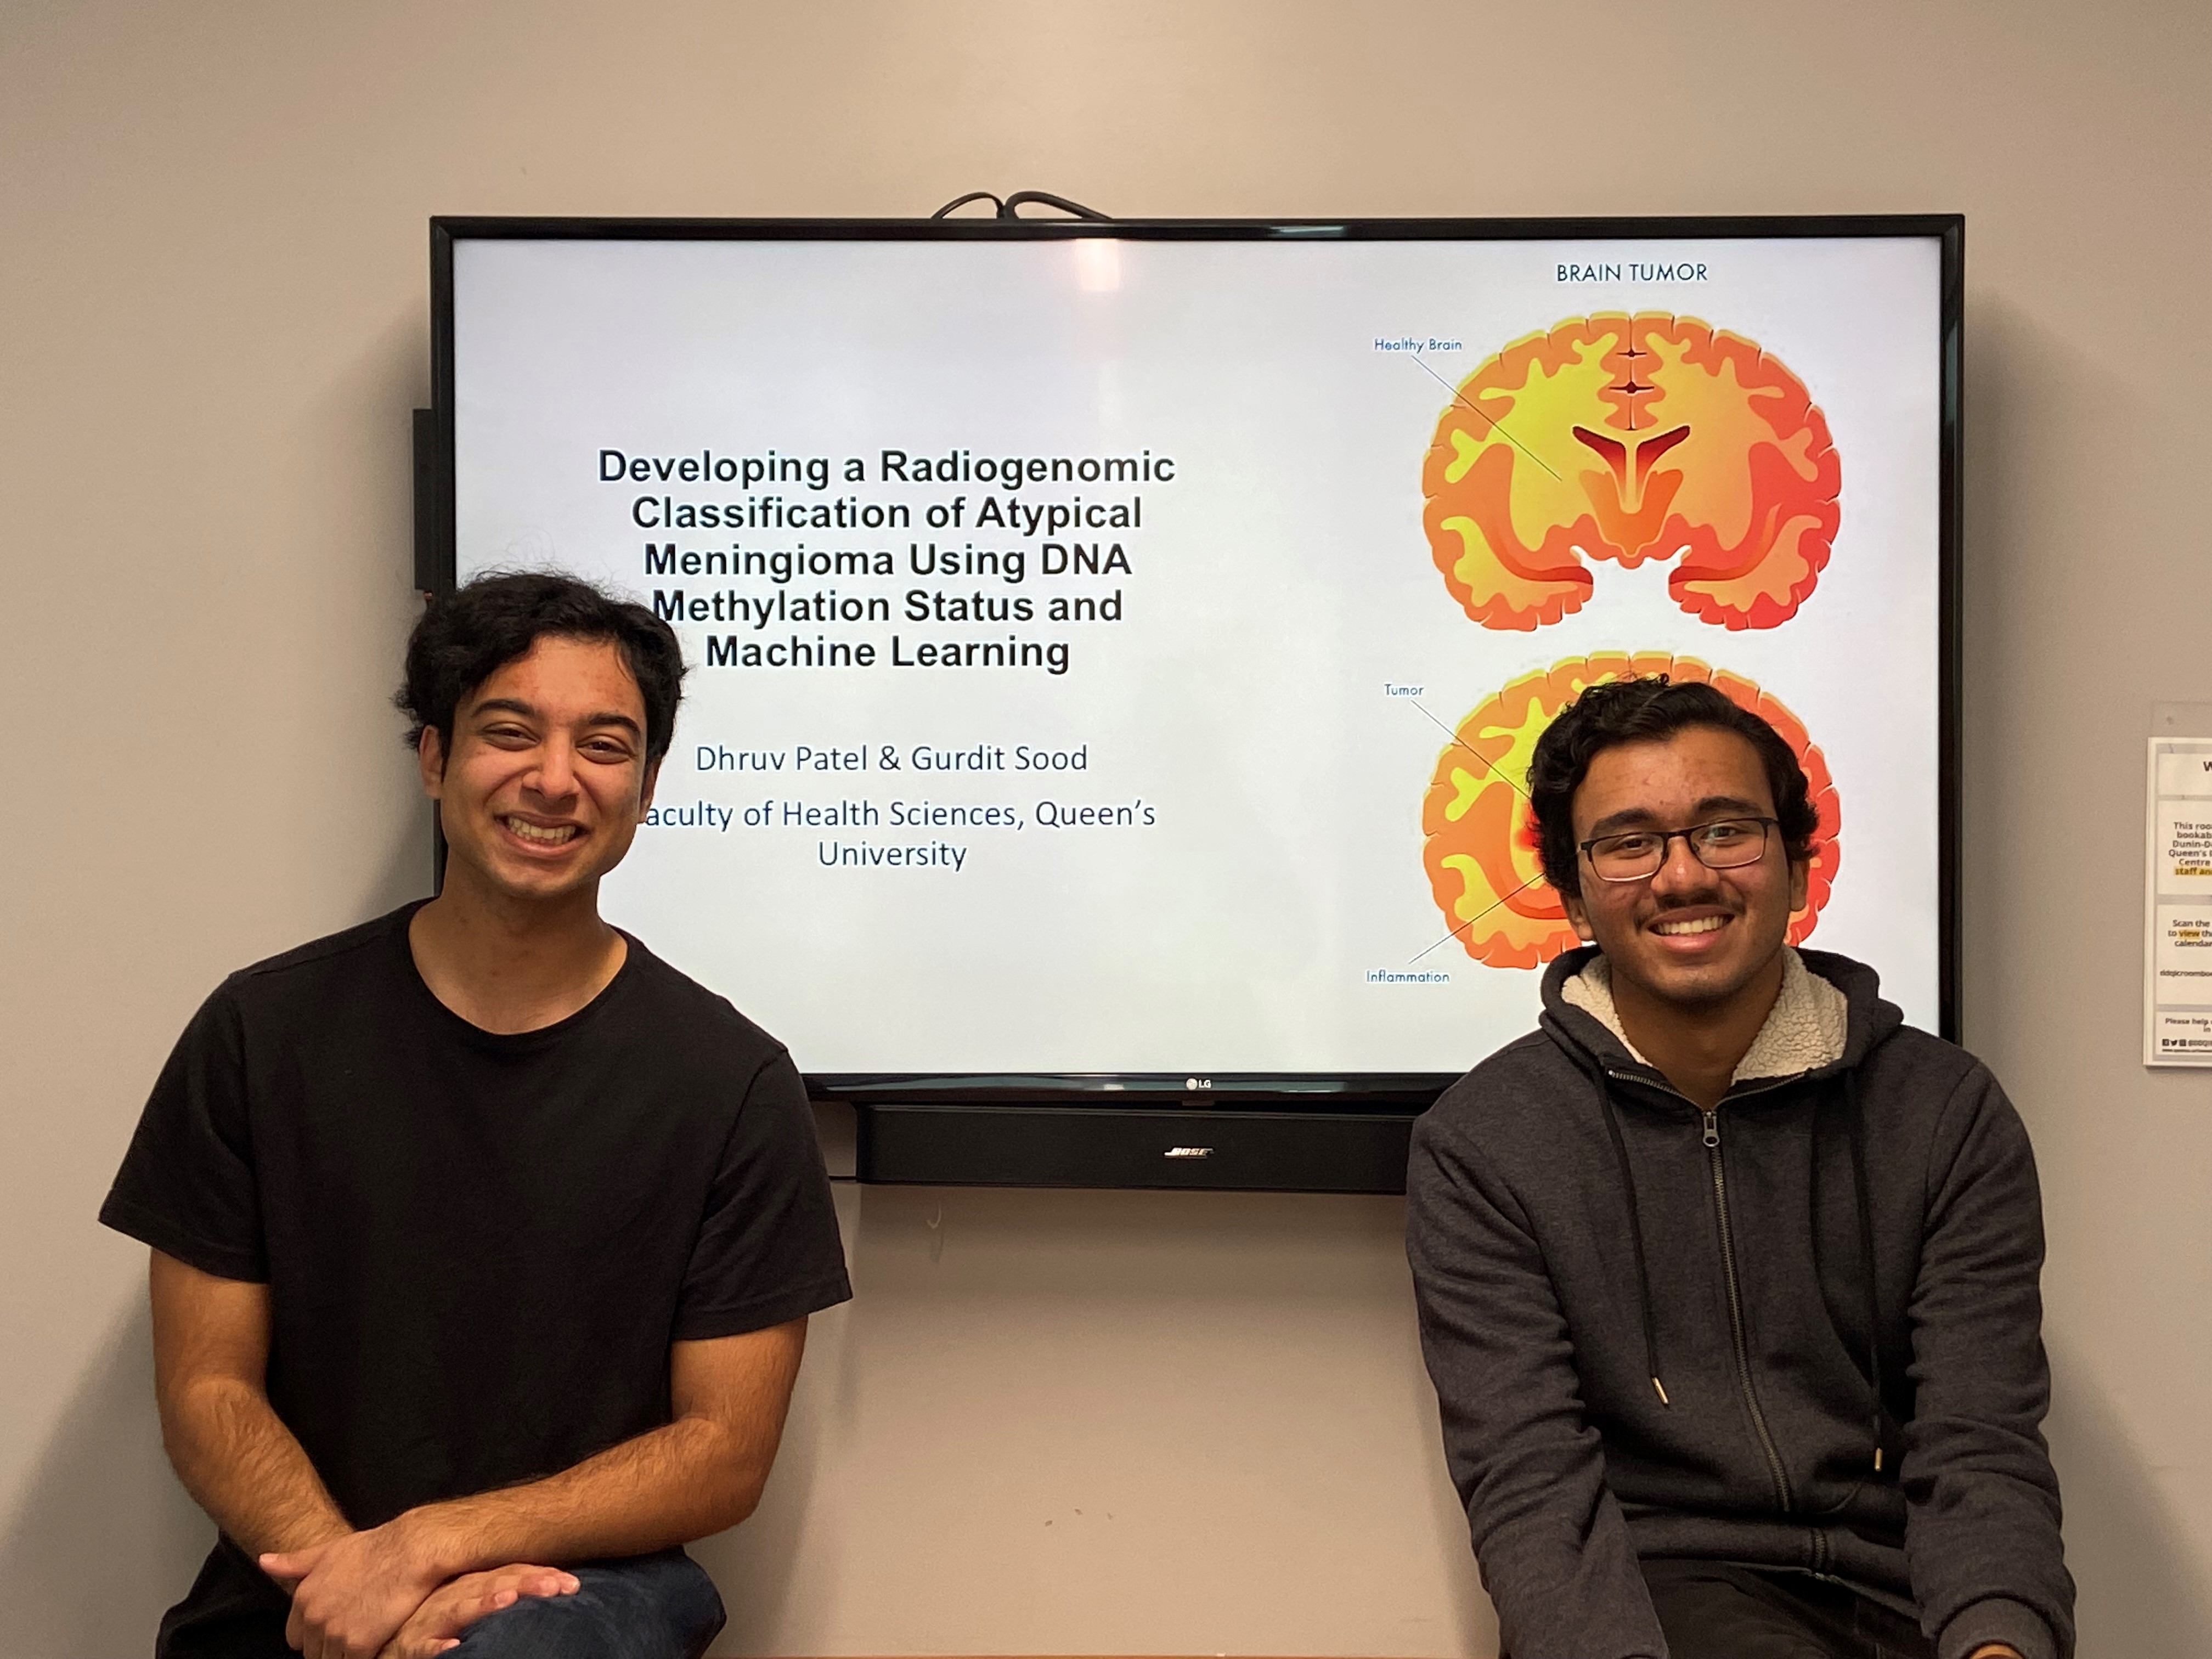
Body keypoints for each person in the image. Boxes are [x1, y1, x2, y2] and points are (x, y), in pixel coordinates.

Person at [100, 572, 851, 1659]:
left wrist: (426, 1551)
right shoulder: (263, 1033)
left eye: (605, 746)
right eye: (510, 732)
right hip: (299, 1591)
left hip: (590, 1601)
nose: (555, 780)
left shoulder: (730, 1082)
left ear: (645, 791)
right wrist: (356, 1588)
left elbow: (724, 1451)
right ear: (435, 759)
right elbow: (206, 1387)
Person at [1406, 676, 2073, 1659]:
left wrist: (2001, 1645)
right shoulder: (1485, 1143)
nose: (1683, 877)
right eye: (1630, 843)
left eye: (1727, 830)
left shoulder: (1944, 1113)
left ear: (1800, 865)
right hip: (1655, 1605)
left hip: (1910, 1598)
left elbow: (1982, 1445)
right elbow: (1533, 1488)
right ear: (1574, 889)